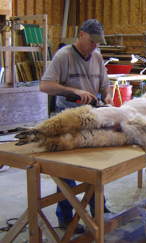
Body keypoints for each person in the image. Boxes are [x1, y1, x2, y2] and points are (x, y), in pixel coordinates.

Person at [40, 19, 113, 233]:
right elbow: (45, 86)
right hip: (68, 118)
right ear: (80, 35)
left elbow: (105, 86)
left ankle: (98, 208)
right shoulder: (64, 56)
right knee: (67, 172)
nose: (94, 46)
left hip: (92, 117)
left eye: (98, 43)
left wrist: (107, 97)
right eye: (91, 41)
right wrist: (74, 92)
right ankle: (66, 217)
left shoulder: (97, 57)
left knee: (96, 168)